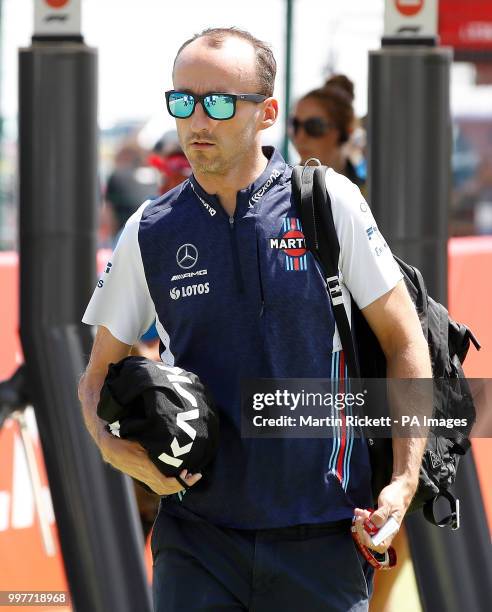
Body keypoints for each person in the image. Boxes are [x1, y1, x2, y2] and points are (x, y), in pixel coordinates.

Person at [78, 27, 432, 612]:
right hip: (196, 539)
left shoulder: (330, 201)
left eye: (218, 102)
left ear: (266, 112)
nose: (197, 119)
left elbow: (404, 340)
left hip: (324, 535)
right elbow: (96, 376)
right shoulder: (149, 228)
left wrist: (403, 478)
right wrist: (111, 447)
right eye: (183, 100)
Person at [290, 75, 365, 189]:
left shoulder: (370, 193)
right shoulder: (281, 192)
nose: (299, 137)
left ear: (345, 132)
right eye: (295, 125)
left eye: (314, 126)